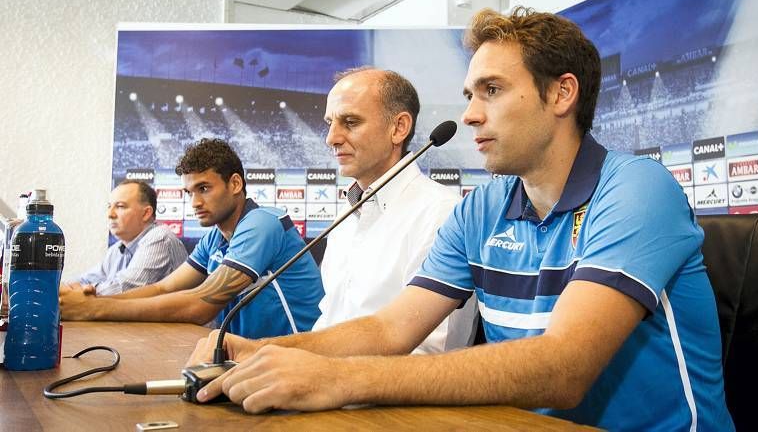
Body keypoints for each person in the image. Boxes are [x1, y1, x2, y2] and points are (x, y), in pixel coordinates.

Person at [187, 8, 734, 431]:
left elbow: (563, 368)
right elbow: (389, 329)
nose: (470, 113)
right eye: (470, 94)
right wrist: (254, 352)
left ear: (562, 93)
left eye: (492, 91)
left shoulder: (638, 188)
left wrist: (335, 376)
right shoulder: (481, 207)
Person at [60, 138, 324, 339]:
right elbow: (163, 288)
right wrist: (95, 303)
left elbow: (201, 304)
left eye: (204, 189)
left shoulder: (263, 223)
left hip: (296, 359)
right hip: (250, 360)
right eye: (189, 192)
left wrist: (94, 310)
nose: (195, 202)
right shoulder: (213, 238)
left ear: (235, 184)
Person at [315, 67, 476, 353]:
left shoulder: (440, 213)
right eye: (329, 123)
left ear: (399, 128)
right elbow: (329, 319)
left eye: (350, 122)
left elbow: (429, 353)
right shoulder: (348, 210)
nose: (331, 138)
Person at [62, 180, 187, 296]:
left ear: (146, 213)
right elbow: (85, 280)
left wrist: (78, 293)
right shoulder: (116, 250)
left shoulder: (160, 238)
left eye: (120, 206)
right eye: (109, 206)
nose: (110, 214)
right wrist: (63, 288)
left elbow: (126, 289)